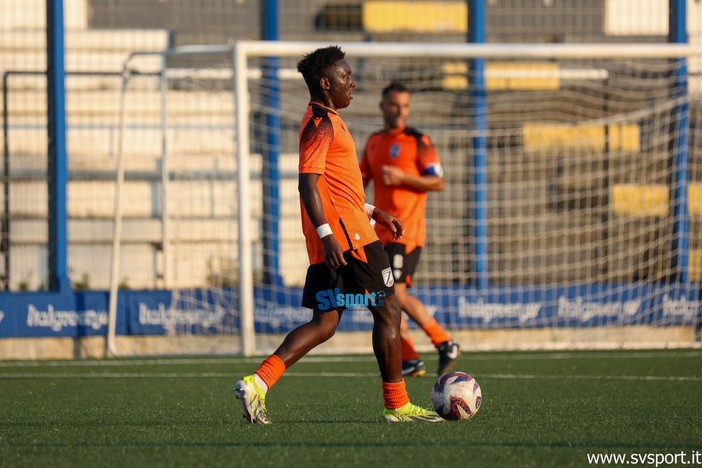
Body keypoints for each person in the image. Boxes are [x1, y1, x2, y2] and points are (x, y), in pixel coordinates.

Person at [234, 47, 443, 424]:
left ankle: (257, 382)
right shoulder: (320, 123)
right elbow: (307, 185)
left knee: (325, 323)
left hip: (345, 232)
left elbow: (336, 189)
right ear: (326, 83)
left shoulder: (327, 119)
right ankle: (397, 405)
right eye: (347, 77)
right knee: (389, 310)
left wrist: (374, 211)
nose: (354, 83)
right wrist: (329, 234)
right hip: (352, 241)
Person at [360, 82, 461, 377]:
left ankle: (444, 341)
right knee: (382, 294)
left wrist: (404, 177)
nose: (400, 111)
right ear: (382, 106)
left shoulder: (418, 141)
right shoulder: (375, 141)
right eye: (394, 105)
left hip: (406, 232)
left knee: (396, 294)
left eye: (405, 106)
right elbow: (362, 178)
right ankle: (408, 356)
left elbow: (437, 182)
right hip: (380, 233)